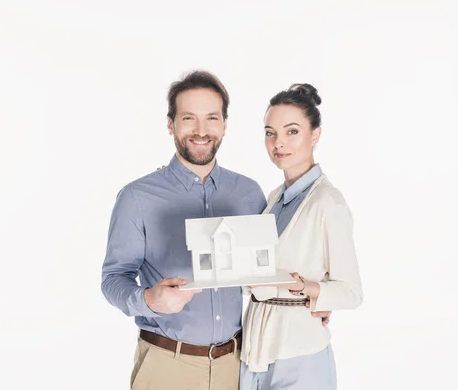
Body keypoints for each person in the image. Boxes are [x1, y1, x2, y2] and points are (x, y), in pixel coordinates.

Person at [101, 70, 269, 390]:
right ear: (171, 124)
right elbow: (112, 279)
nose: (201, 131)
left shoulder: (249, 193)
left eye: (212, 118)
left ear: (224, 124)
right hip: (166, 367)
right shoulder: (137, 198)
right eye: (189, 118)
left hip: (235, 367)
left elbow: (269, 268)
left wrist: (311, 300)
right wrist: (148, 299)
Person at [239, 84, 364, 390]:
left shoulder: (328, 203)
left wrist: (305, 288)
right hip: (254, 350)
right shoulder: (272, 200)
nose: (278, 143)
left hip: (300, 353)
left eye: (291, 131)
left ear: (315, 135)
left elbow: (351, 292)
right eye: (270, 133)